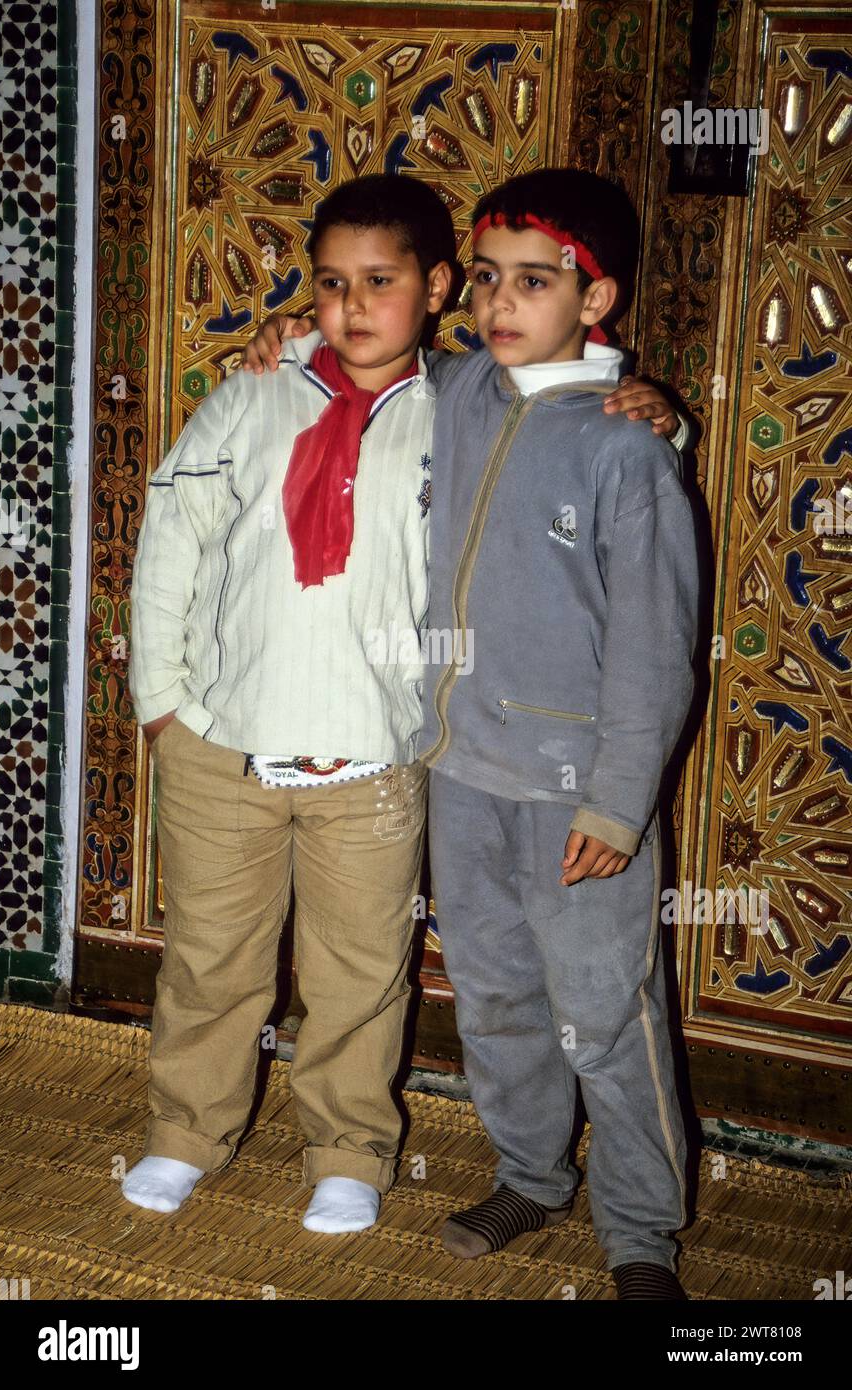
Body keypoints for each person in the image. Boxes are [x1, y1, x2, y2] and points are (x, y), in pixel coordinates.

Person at [124, 174, 461, 1233]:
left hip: (372, 753)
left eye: (380, 281)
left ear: (437, 286)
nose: (352, 306)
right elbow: (172, 539)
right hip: (226, 742)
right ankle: (186, 1131)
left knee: (360, 968)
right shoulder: (257, 392)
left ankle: (349, 1150)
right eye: (328, 284)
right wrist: (163, 704)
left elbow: (580, 459)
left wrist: (649, 413)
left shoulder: (468, 409)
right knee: (213, 958)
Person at [418, 168, 700, 1300]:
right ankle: (531, 1174)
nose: (500, 302)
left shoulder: (628, 450)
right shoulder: (461, 392)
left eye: (535, 281)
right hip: (462, 771)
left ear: (597, 300)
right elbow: (374, 358)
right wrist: (297, 332)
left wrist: (619, 803)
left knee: (607, 1012)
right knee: (492, 996)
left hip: (580, 796)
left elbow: (655, 647)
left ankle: (642, 1235)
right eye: (486, 279)